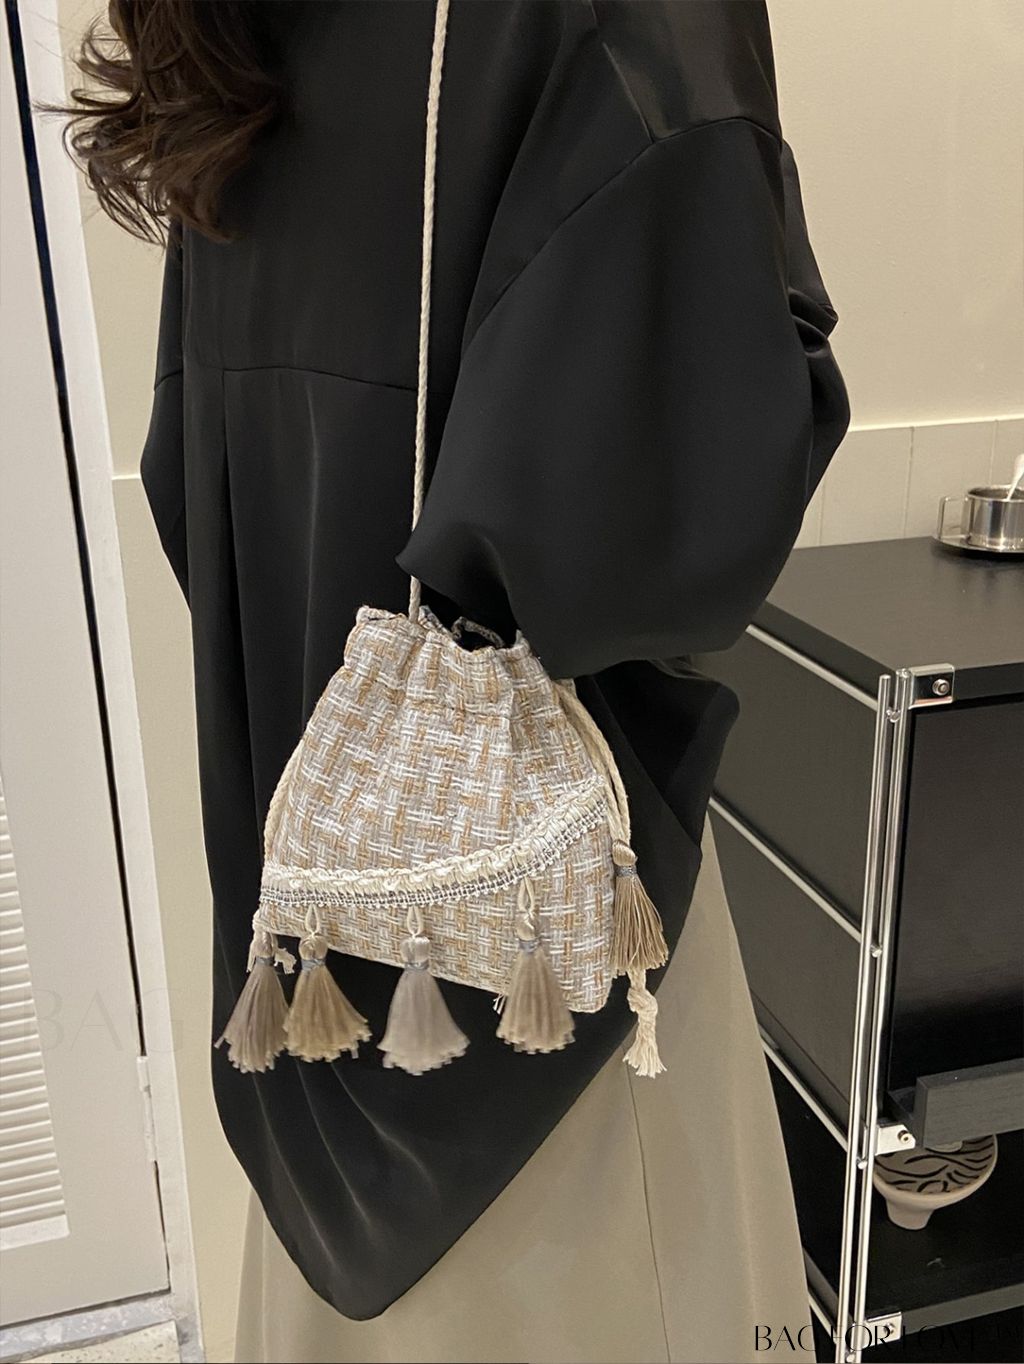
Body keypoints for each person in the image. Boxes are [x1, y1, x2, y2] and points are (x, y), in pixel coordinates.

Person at [62, 2, 849, 1360]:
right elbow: (690, 480)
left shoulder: (233, 25)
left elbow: (196, 477)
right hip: (552, 960)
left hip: (306, 925)